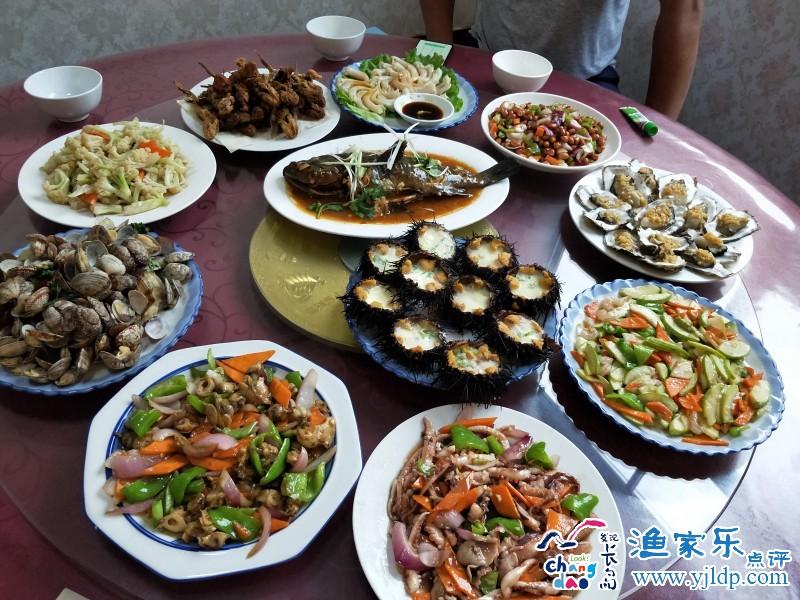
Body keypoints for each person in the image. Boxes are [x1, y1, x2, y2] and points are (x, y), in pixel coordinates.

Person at [419, 0, 703, 119]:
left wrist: (659, 127)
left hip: (587, 80)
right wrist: (440, 59)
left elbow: (685, 8)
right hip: (487, 58)